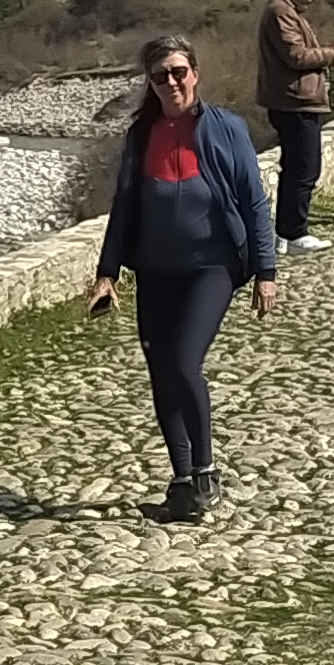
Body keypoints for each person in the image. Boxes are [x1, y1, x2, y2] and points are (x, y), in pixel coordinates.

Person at [93, 35, 282, 523]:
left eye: (179, 72)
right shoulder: (141, 136)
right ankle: (182, 484)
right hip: (155, 270)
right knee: (161, 372)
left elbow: (254, 201)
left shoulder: (227, 129)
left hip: (211, 267)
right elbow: (124, 206)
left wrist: (265, 271)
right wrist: (107, 272)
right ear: (150, 83)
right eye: (161, 76)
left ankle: (205, 472)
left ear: (195, 73)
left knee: (182, 361)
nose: (171, 82)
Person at [255, 0, 334, 254]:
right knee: (304, 168)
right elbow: (296, 56)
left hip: (295, 100)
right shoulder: (281, 13)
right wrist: (333, 54)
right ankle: (294, 232)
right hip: (294, 102)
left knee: (298, 167)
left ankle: (286, 232)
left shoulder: (287, 11)